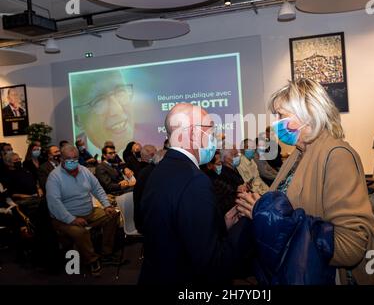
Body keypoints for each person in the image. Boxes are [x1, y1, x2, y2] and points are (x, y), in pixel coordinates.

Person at [236, 79, 374, 285]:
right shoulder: (298, 152)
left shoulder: (337, 155)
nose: (276, 123)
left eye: (281, 116)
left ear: (309, 114)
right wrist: (259, 204)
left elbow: (349, 247)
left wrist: (264, 213)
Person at [139, 103, 252, 285]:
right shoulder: (194, 180)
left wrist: (220, 226)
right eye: (211, 130)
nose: (214, 138)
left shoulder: (160, 170)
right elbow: (213, 265)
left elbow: (177, 230)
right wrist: (248, 219)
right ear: (192, 134)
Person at [46, 144, 120, 276]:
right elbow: (54, 204)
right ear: (61, 159)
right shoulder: (54, 177)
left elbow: (97, 189)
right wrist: (72, 219)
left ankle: (106, 253)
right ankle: (92, 260)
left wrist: (107, 205)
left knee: (113, 214)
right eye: (69, 159)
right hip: (64, 217)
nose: (72, 161)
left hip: (89, 212)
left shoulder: (84, 170)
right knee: (80, 232)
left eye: (75, 158)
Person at [71, 70, 137, 156]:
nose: (117, 109)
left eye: (120, 92)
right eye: (99, 101)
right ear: (78, 120)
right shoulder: (75, 154)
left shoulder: (149, 140)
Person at [132, 145, 157, 234]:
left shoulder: (143, 170)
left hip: (142, 218)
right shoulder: (150, 172)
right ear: (153, 155)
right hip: (145, 221)